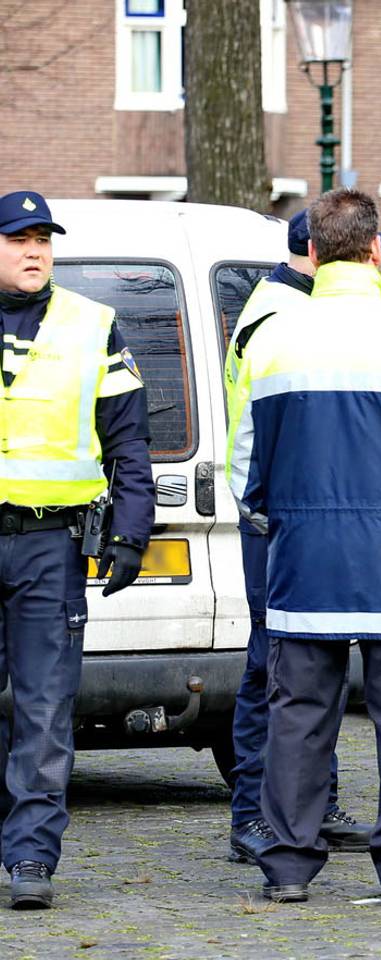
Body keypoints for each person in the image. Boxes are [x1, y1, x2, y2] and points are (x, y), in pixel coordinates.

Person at [226, 189, 381, 906]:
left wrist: (278, 517)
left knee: (299, 714)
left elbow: (246, 465)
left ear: (311, 252)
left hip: (304, 557)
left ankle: (290, 866)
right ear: (374, 251)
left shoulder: (272, 334)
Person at [0, 191, 154, 909]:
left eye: (44, 240)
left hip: (46, 545)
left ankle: (31, 858)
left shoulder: (95, 326)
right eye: (18, 239)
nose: (35, 251)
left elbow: (128, 440)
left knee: (43, 709)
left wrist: (130, 532)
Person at [222, 210, 373, 866]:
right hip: (281, 514)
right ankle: (255, 812)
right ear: (322, 252)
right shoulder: (280, 317)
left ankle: (312, 799)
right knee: (274, 666)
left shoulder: (282, 307)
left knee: (308, 662)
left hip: (295, 511)